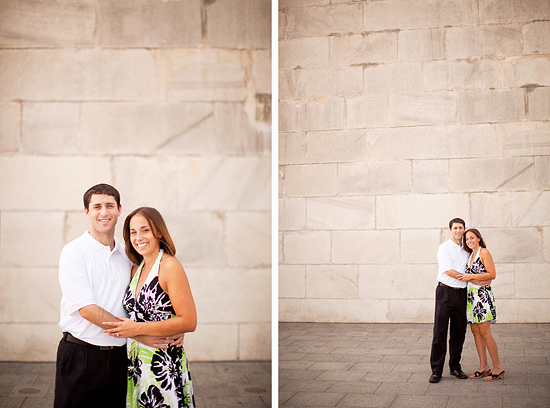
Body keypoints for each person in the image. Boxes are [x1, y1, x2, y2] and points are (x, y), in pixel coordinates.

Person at [54, 184, 183, 408]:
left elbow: (151, 296)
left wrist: (174, 327)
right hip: (81, 355)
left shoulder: (130, 253)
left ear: (119, 209)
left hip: (120, 359)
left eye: (109, 206)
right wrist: (139, 335)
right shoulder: (74, 252)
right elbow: (87, 309)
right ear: (87, 212)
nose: (103, 212)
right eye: (97, 206)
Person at [103, 207, 197, 407]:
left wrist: (136, 329)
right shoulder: (136, 269)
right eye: (133, 232)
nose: (138, 237)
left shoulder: (170, 266)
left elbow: (188, 321)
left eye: (145, 230)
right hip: (135, 364)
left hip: (162, 364)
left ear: (159, 232)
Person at [428, 217, 490, 383]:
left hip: (462, 294)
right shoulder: (444, 248)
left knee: (459, 332)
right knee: (440, 331)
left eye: (460, 228)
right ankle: (436, 370)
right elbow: (449, 271)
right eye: (455, 228)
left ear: (464, 229)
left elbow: (478, 266)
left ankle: (455, 367)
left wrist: (486, 279)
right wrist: (475, 280)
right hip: (445, 292)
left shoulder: (467, 249)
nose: (458, 231)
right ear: (450, 230)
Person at [457, 228, 505, 381]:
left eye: (472, 238)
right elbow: (469, 277)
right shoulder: (470, 255)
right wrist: (473, 279)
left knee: (485, 333)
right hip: (471, 298)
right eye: (467, 239)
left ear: (478, 238)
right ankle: (484, 366)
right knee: (476, 332)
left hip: (482, 298)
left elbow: (492, 274)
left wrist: (471, 277)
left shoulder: (484, 252)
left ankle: (498, 368)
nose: (469, 241)